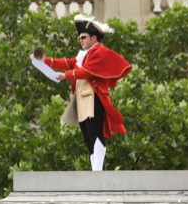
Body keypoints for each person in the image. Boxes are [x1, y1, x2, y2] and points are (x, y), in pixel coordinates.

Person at [42, 14, 132, 171]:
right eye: (80, 38)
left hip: (93, 98)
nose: (81, 41)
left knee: (96, 134)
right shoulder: (83, 55)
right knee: (88, 138)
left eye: (83, 37)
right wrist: (44, 60)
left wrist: (65, 75)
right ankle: (94, 170)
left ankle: (97, 171)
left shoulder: (99, 52)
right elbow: (67, 63)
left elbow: (87, 72)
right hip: (82, 100)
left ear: (94, 37)